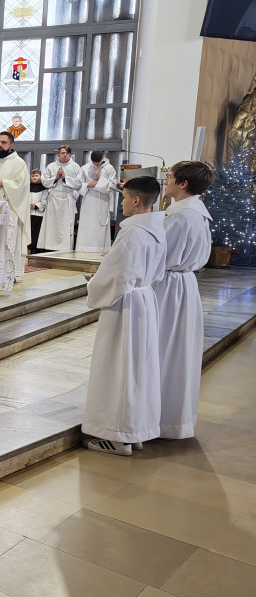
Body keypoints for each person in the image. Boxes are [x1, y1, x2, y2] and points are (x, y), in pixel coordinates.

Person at [82, 176, 167, 456]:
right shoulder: (157, 229)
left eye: (124, 198)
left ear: (136, 200)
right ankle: (135, 431)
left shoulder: (132, 232)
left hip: (125, 305)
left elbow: (117, 274)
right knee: (138, 369)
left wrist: (93, 283)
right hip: (144, 300)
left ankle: (115, 436)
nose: (121, 203)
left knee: (118, 367)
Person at [152, 161, 214, 440]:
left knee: (162, 348)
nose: (166, 180)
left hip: (167, 285)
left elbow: (161, 255)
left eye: (170, 176)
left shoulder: (179, 215)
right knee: (177, 349)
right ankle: (173, 419)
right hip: (184, 283)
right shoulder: (196, 211)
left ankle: (157, 418)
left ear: (183, 183)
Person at [0, 131, 31, 277]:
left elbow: (22, 186)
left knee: (9, 240)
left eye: (3, 143)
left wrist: (3, 182)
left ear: (11, 145)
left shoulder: (18, 163)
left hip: (10, 210)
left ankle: (9, 273)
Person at [38, 145, 82, 252]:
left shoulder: (75, 167)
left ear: (70, 154)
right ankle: (49, 246)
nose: (65, 155)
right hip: (53, 199)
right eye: (63, 153)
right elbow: (44, 181)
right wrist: (56, 177)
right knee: (52, 224)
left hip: (67, 199)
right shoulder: (51, 166)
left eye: (67, 153)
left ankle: (65, 247)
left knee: (65, 225)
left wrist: (65, 178)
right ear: (58, 154)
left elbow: (78, 182)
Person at [76, 151, 118, 254]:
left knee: (100, 225)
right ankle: (84, 248)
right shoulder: (85, 168)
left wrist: (100, 178)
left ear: (102, 158)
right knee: (87, 224)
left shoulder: (109, 168)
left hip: (102, 200)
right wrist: (89, 184)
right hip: (88, 200)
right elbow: (78, 185)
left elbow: (113, 186)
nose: (96, 165)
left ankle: (100, 249)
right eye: (94, 163)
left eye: (98, 163)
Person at [29, 168, 47, 254]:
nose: (34, 178)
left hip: (39, 213)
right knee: (29, 230)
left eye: (36, 176)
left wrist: (36, 205)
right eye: (32, 176)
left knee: (36, 231)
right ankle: (28, 246)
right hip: (28, 212)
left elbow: (45, 200)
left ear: (40, 176)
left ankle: (35, 248)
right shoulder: (27, 187)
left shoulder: (43, 188)